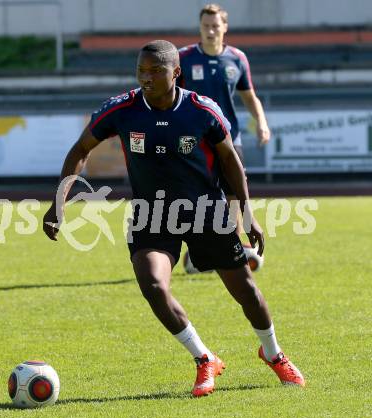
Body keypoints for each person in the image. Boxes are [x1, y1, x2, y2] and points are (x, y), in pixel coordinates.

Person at [43, 40, 304, 396]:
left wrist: (246, 213)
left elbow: (230, 163)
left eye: (156, 70)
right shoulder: (121, 109)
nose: (146, 78)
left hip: (205, 212)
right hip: (151, 215)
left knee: (246, 292)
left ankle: (273, 354)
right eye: (141, 71)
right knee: (153, 285)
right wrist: (60, 202)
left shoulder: (201, 110)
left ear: (175, 72)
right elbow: (80, 150)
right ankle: (204, 358)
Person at [178, 4, 271, 269]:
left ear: (224, 27)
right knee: (194, 195)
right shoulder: (184, 58)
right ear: (200, 27)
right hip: (194, 139)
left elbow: (249, 97)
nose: (210, 30)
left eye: (215, 25)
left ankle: (233, 244)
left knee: (234, 193)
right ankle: (197, 247)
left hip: (229, 137)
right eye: (206, 25)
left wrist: (261, 122)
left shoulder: (237, 58)